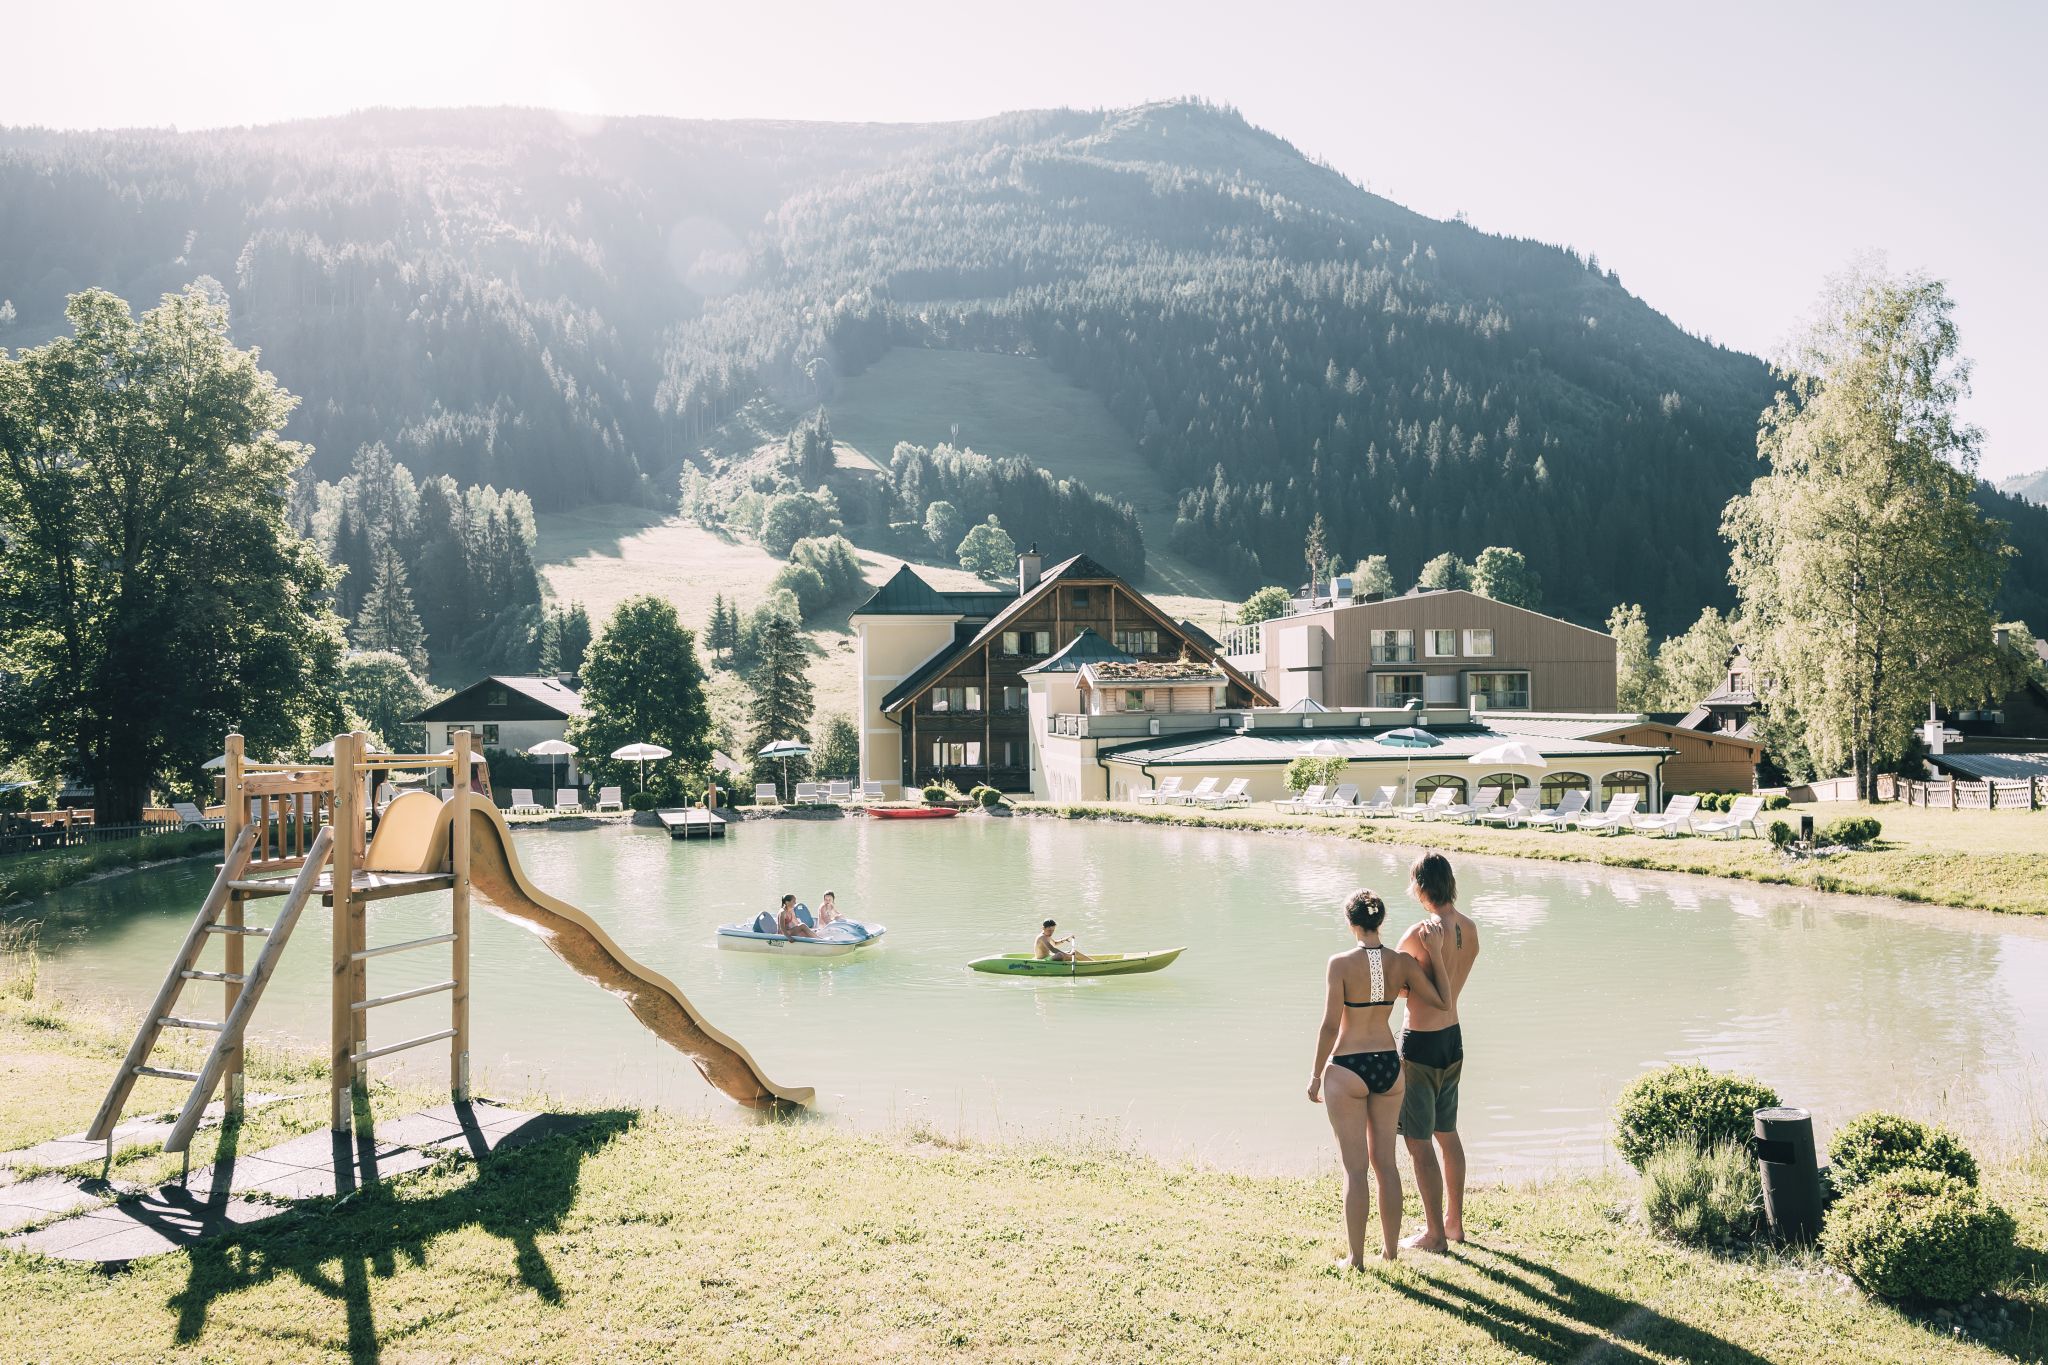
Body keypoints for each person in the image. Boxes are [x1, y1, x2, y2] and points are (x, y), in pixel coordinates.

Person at [1309, 888, 1448, 1267]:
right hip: (1389, 1064)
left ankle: (1356, 1258)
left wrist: (1315, 1074)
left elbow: (1328, 1026)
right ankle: (1389, 1253)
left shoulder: (1339, 964)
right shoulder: (1401, 962)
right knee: (1385, 1165)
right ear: (1380, 921)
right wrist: (1434, 953)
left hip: (1349, 1066)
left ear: (1350, 922)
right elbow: (1441, 1001)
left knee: (1356, 1170)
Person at [1396, 851, 1481, 1253]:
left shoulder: (1420, 933)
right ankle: (1454, 1224)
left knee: (1417, 1140)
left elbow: (1394, 986)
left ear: (1421, 886)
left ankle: (1433, 1235)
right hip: (1454, 1039)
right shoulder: (1469, 928)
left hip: (1423, 1041)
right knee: (1447, 1133)